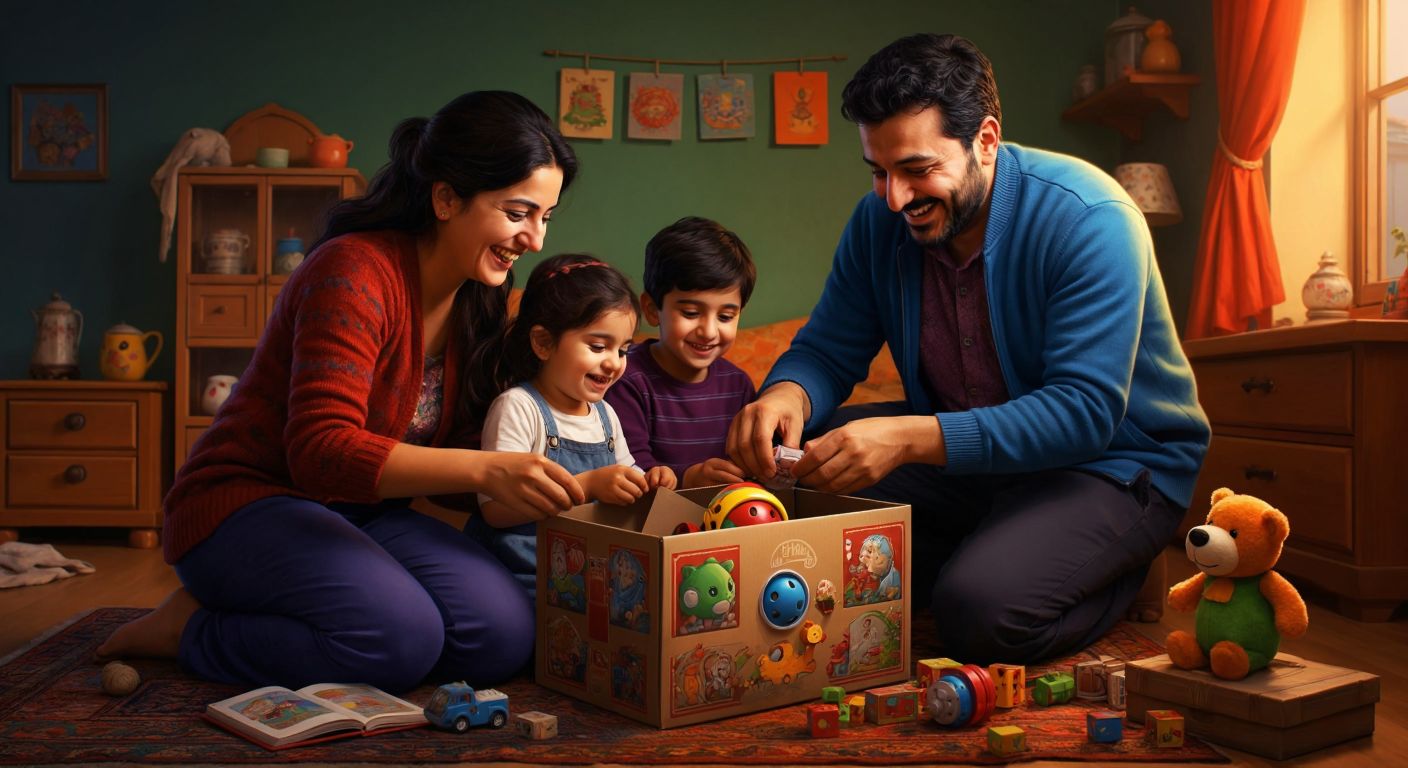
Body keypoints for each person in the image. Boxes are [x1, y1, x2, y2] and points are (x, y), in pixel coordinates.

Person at [727, 33, 1210, 664]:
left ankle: (1121, 565)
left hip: (1113, 467)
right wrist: (787, 393)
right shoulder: (880, 222)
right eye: (879, 171)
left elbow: (1084, 413)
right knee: (798, 475)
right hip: (973, 464)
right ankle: (987, 545)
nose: (895, 198)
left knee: (976, 615)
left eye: (918, 170)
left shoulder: (1091, 216)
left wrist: (906, 437)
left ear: (985, 140)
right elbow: (827, 349)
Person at [96, 91, 586, 693]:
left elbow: (464, 456)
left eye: (546, 217)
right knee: (400, 639)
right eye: (517, 213)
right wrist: (489, 471)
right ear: (445, 198)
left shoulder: (479, 301)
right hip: (246, 504)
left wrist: (578, 473)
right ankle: (190, 629)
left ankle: (345, 624)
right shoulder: (353, 271)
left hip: (360, 514)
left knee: (502, 636)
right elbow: (321, 450)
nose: (534, 240)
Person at [468, 253, 676, 592]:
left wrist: (650, 481)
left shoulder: (606, 415)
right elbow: (496, 509)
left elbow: (626, 474)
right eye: (598, 346)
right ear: (544, 343)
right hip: (521, 576)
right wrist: (587, 487)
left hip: (588, 578)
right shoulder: (519, 408)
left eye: (623, 350)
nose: (613, 363)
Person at [605, 216, 758, 487]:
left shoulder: (739, 385)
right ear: (652, 309)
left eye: (725, 317)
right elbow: (629, 469)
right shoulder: (625, 378)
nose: (709, 331)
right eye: (690, 313)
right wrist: (688, 478)